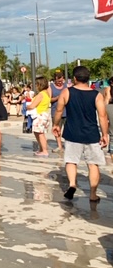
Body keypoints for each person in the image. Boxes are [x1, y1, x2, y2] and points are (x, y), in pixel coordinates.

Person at [53, 66, 109, 202]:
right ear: (88, 79)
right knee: (93, 164)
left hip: (72, 133)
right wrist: (105, 134)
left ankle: (72, 184)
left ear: (75, 78)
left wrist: (55, 125)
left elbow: (59, 111)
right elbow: (102, 116)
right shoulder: (96, 95)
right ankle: (93, 194)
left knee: (71, 161)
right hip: (91, 134)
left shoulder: (67, 92)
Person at [27, 76, 51, 157]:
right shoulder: (46, 93)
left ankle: (44, 150)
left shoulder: (41, 94)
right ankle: (41, 149)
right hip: (45, 114)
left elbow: (33, 105)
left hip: (39, 115)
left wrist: (27, 107)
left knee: (40, 134)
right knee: (39, 133)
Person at [48, 72, 67, 153]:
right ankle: (59, 146)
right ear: (55, 80)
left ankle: (68, 145)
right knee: (57, 129)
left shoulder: (66, 86)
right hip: (55, 111)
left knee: (68, 129)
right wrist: (58, 98)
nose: (60, 82)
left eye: (61, 81)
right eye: (58, 81)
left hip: (67, 111)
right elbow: (49, 99)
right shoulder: (51, 87)